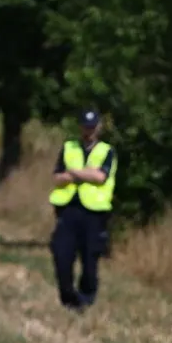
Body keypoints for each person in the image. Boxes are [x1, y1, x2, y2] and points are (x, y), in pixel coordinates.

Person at [49, 109, 117, 312]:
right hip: (68, 209)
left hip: (94, 213)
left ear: (98, 127)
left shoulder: (106, 151)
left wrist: (73, 173)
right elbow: (57, 178)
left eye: (92, 126)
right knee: (61, 254)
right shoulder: (69, 147)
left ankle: (85, 298)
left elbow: (100, 177)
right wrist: (85, 174)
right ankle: (68, 296)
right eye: (85, 126)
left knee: (89, 260)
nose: (88, 130)